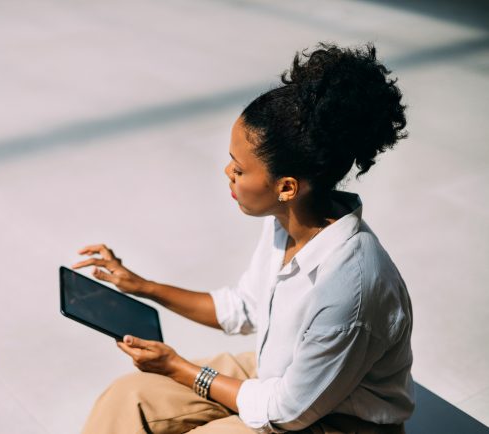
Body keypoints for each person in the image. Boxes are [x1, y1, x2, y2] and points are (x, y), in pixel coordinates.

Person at [72, 42, 415, 434]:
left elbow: (287, 411)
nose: (227, 173)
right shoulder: (287, 222)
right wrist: (141, 286)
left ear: (286, 187)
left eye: (239, 169)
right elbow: (244, 308)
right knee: (128, 397)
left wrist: (179, 368)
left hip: (337, 420)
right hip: (279, 376)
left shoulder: (349, 289)